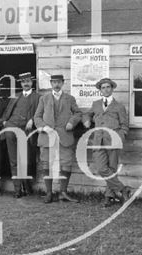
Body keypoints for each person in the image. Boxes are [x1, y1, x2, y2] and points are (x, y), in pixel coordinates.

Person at [82, 77, 132, 207]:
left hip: (113, 141)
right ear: (100, 90)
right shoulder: (96, 104)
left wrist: (119, 137)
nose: (106, 89)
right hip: (98, 140)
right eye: (103, 87)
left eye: (108, 87)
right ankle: (123, 189)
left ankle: (109, 196)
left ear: (112, 89)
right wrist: (86, 120)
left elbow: (124, 126)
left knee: (112, 169)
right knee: (101, 168)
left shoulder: (119, 107)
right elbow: (87, 114)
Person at [34, 74, 82, 203]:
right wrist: (44, 127)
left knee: (66, 164)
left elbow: (78, 113)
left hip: (64, 137)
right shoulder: (44, 99)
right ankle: (49, 193)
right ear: (51, 83)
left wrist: (72, 122)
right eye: (54, 82)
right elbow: (37, 117)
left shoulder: (70, 98)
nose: (56, 84)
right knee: (46, 164)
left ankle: (63, 193)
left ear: (63, 83)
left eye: (59, 82)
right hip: (47, 137)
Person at [0, 72, 40, 198]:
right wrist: (4, 121)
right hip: (11, 128)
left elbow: (41, 112)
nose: (26, 84)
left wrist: (32, 120)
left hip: (25, 131)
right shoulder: (16, 96)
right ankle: (17, 189)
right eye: (23, 82)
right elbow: (7, 112)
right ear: (20, 83)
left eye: (28, 81)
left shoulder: (37, 97)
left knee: (26, 160)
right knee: (13, 160)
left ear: (32, 82)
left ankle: (26, 185)